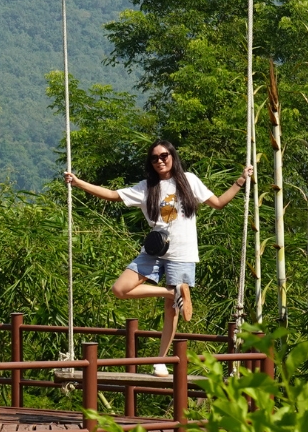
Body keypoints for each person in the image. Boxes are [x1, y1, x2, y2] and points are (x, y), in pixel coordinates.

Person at [65, 141, 251, 375]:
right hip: (155, 250)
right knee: (120, 289)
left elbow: (219, 203)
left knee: (170, 311)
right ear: (150, 163)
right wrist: (78, 182)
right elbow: (112, 195)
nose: (160, 161)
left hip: (182, 252)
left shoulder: (189, 180)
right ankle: (170, 292)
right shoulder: (147, 187)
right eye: (154, 158)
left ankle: (160, 361)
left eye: (164, 155)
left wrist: (240, 181)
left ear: (173, 156)